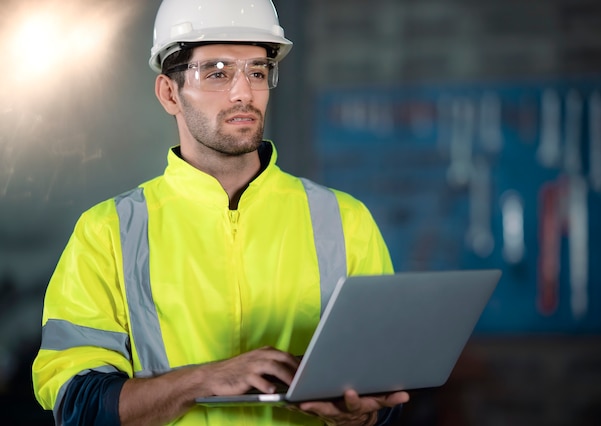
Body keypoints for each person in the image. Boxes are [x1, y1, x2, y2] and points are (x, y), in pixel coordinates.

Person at [31, 0, 409, 425]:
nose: (243, 92)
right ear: (169, 93)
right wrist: (207, 379)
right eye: (217, 73)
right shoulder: (106, 233)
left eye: (257, 72)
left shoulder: (345, 220)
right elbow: (79, 405)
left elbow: (382, 389)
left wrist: (358, 416)